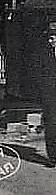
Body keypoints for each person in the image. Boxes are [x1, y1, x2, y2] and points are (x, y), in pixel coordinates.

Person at [41, 22, 56, 168]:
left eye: (52, 38)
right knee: (51, 125)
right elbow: (42, 76)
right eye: (49, 38)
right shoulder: (45, 55)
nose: (50, 41)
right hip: (50, 97)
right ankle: (52, 157)